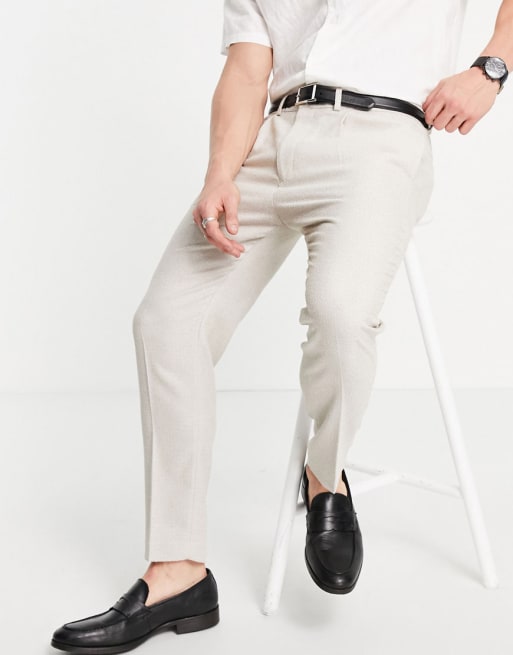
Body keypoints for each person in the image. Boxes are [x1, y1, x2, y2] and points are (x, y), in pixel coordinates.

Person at [51, 0, 512, 652]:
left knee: (340, 310)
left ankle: (324, 474)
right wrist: (220, 173)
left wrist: (491, 68)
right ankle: (178, 569)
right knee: (166, 322)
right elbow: (248, 69)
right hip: (271, 139)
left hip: (383, 137)